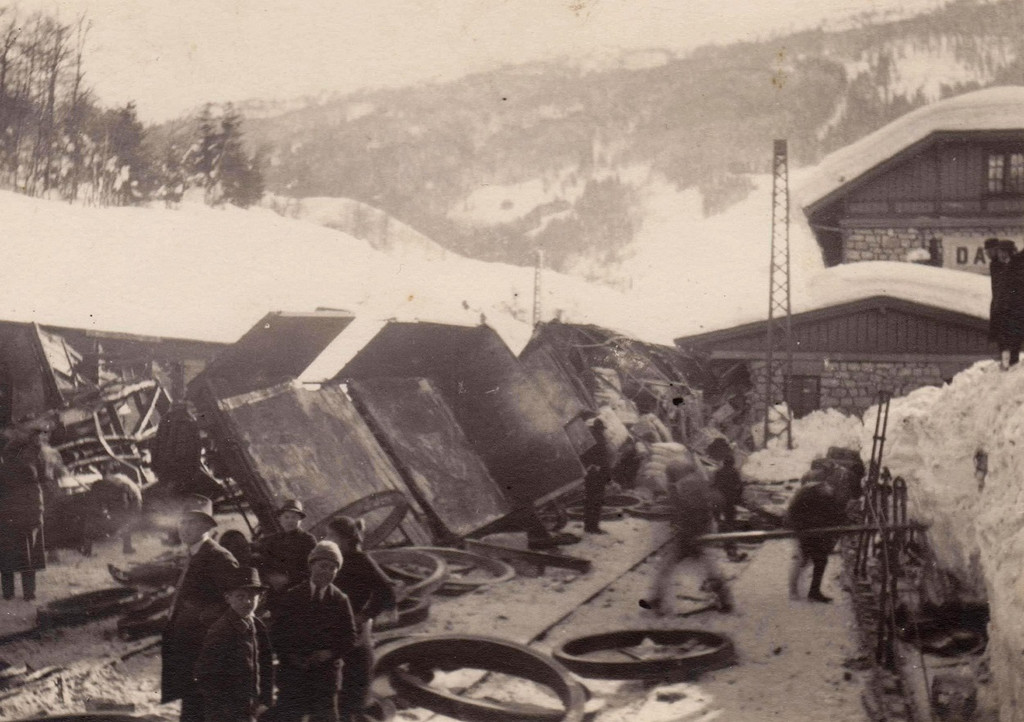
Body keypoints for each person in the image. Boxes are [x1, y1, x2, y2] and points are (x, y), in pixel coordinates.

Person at [162, 494, 240, 722]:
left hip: (207, 649)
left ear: (207, 526)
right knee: (192, 705)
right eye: (183, 522)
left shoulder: (219, 557)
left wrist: (204, 619)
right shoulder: (194, 553)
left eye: (192, 523)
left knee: (205, 708)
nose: (185, 528)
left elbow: (235, 604)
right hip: (190, 646)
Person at [271, 540, 357, 722]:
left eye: (332, 568)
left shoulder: (340, 600)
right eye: (322, 566)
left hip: (325, 677)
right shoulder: (293, 596)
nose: (327, 572)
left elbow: (349, 637)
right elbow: (277, 632)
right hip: (293, 674)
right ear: (311, 566)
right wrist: (291, 655)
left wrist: (329, 653)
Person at [641, 454, 733, 615]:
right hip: (695, 531)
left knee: (668, 566)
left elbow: (689, 509)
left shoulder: (688, 485)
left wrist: (686, 529)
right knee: (708, 568)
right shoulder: (694, 481)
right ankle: (725, 599)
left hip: (692, 533)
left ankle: (656, 598)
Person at [325, 517, 396, 722]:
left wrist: (365, 615)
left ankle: (354, 713)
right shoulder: (335, 559)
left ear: (346, 539)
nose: (327, 540)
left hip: (353, 628)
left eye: (332, 536)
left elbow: (386, 591)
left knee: (354, 675)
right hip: (334, 625)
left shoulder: (360, 560)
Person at [194, 566, 275, 722]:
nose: (247, 602)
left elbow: (266, 665)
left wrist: (265, 700)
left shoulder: (258, 626)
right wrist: (227, 710)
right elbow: (206, 675)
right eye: (240, 596)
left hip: (252, 708)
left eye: (252, 596)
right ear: (228, 598)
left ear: (260, 597)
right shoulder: (221, 630)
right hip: (227, 712)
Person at [786, 473, 848, 603]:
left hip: (816, 531)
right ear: (824, 484)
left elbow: (833, 513)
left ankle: (814, 592)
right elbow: (793, 512)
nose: (831, 490)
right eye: (830, 487)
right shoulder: (807, 493)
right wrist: (800, 531)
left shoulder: (828, 495)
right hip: (803, 529)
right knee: (801, 559)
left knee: (821, 560)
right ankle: (793, 591)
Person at [252, 499, 317, 618]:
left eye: (294, 517)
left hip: (298, 589)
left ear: (300, 519)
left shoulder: (308, 540)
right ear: (280, 519)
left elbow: (311, 569)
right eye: (286, 517)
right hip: (275, 590)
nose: (290, 521)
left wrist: (287, 579)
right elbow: (261, 554)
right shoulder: (273, 539)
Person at [0, 457, 44, 601]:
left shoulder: (7, 471)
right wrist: (37, 518)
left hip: (11, 520)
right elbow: (37, 498)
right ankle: (28, 593)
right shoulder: (27, 470)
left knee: (8, 556)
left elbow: (36, 497)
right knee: (26, 557)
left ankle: (9, 592)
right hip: (21, 521)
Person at [81, 460, 144, 556]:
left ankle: (87, 550)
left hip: (125, 506)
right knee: (125, 522)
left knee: (90, 522)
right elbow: (132, 499)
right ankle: (127, 547)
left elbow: (97, 500)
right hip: (129, 507)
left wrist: (104, 511)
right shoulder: (124, 480)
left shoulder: (104, 483)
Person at [706, 438, 746, 563]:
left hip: (719, 501)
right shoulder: (734, 472)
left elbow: (713, 486)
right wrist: (738, 499)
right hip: (729, 502)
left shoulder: (718, 472)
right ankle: (730, 548)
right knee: (730, 524)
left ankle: (723, 543)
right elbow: (739, 487)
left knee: (720, 522)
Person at [580, 413, 612, 534]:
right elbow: (604, 460)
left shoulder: (587, 437)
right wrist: (608, 478)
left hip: (589, 474)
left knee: (589, 500)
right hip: (598, 475)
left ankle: (588, 526)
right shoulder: (600, 439)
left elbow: (583, 456)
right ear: (601, 428)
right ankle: (593, 527)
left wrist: (588, 467)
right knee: (596, 502)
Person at [994, 240, 1023, 369]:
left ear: (1006, 252)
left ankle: (1012, 363)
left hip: (1013, 308)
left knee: (1013, 336)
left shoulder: (1014, 265)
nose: (999, 254)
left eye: (1001, 251)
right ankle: (1010, 362)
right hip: (1009, 308)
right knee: (1009, 336)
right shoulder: (1008, 265)